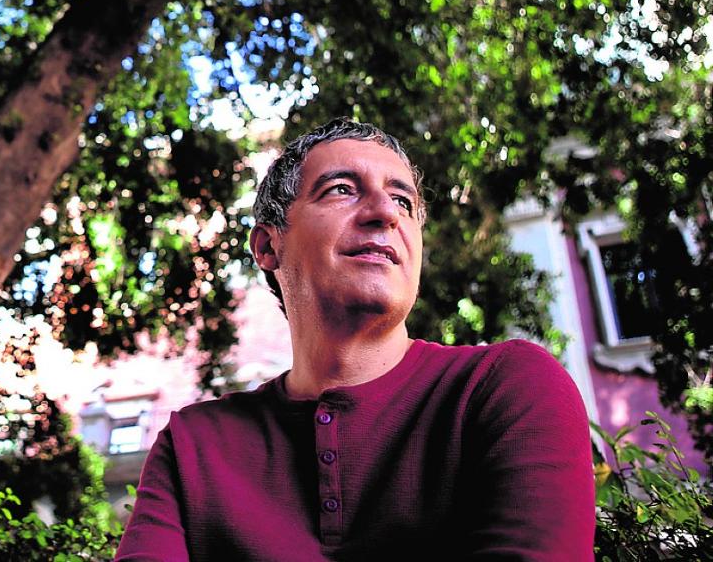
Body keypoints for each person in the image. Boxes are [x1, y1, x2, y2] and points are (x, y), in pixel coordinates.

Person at [115, 119, 595, 561]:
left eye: (403, 201)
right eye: (341, 190)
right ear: (267, 246)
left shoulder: (509, 387)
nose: (386, 213)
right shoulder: (192, 447)